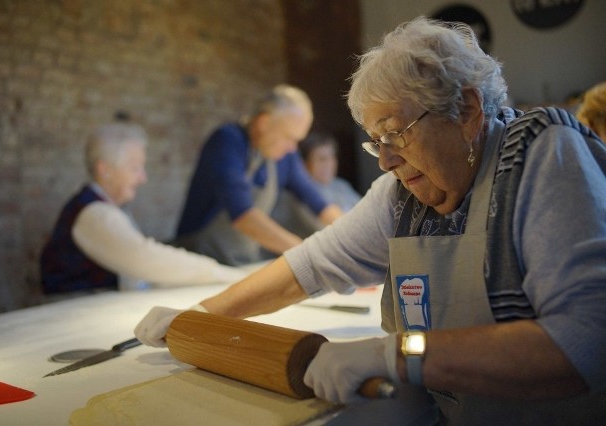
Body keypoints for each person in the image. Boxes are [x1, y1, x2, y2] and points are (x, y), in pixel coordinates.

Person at [135, 17, 606, 423]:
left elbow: (582, 341)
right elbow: (311, 265)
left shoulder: (545, 156)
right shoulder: (403, 195)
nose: (384, 161)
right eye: (375, 141)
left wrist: (399, 354)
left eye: (395, 135)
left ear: (466, 111)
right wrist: (201, 317)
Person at [40, 119, 247, 294]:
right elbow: (146, 259)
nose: (143, 178)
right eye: (135, 168)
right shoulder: (95, 215)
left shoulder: (102, 208)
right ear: (105, 170)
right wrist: (222, 274)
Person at [173, 85, 343, 266]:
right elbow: (244, 217)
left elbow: (318, 203)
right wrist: (308, 255)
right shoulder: (227, 141)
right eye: (289, 137)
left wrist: (348, 239)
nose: (293, 148)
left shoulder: (285, 154)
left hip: (241, 261)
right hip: (198, 261)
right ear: (264, 123)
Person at [299, 132, 361, 212]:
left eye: (332, 157)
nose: (329, 164)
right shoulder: (303, 194)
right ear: (305, 163)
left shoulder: (341, 185)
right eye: (322, 159)